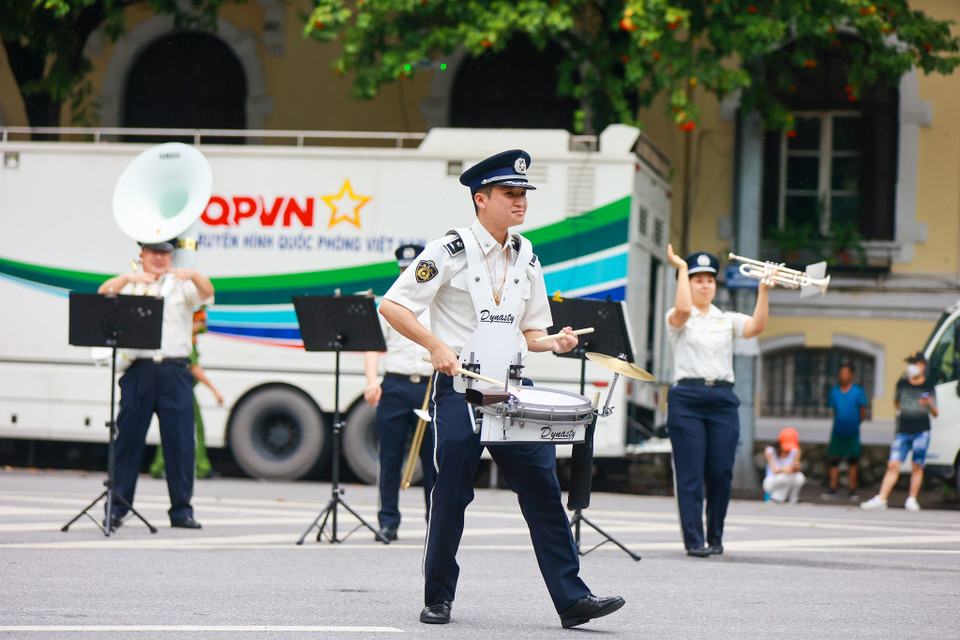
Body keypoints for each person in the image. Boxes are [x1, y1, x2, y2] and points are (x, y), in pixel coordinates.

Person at [378, 150, 625, 629]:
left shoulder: (528, 255)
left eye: (523, 194)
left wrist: (555, 342)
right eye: (510, 193)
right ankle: (438, 597)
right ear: (481, 198)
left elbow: (530, 333)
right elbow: (393, 306)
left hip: (511, 390)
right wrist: (435, 345)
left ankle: (573, 599)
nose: (520, 202)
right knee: (450, 495)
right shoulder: (448, 250)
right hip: (461, 386)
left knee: (543, 490)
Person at [664, 243, 772, 557]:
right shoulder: (677, 316)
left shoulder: (726, 319)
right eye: (698, 280)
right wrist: (681, 268)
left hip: (723, 399)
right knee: (690, 473)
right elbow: (683, 310)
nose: (705, 285)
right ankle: (694, 540)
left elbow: (756, 326)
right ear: (687, 284)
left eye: (709, 280)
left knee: (721, 471)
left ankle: (715, 536)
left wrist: (764, 289)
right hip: (687, 399)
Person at [98, 240, 214, 531]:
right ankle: (117, 507)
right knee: (128, 439)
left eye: (165, 253)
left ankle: (181, 510)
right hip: (141, 369)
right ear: (143, 255)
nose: (160, 258)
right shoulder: (132, 284)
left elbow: (208, 293)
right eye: (154, 253)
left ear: (172, 257)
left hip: (175, 370)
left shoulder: (181, 283)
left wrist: (193, 274)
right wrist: (128, 278)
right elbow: (103, 294)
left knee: (181, 442)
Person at [364, 244, 436, 543]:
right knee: (390, 457)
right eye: (403, 269)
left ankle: (435, 523)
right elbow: (373, 345)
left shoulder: (438, 302)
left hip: (430, 386)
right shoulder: (389, 302)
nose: (406, 274)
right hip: (395, 384)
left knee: (433, 459)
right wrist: (372, 381)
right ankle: (388, 521)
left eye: (411, 269)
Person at [149, 307, 223, 480]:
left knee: (173, 428)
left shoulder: (189, 339)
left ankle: (161, 466)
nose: (204, 325)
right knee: (191, 428)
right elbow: (194, 368)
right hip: (183, 390)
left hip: (182, 389)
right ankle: (199, 467)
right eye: (200, 321)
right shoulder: (186, 341)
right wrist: (215, 390)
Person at [862, 351, 937, 511]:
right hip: (903, 430)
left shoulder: (928, 386)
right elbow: (896, 403)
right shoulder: (902, 384)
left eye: (914, 363)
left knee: (917, 465)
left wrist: (930, 404)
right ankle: (882, 498)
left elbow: (936, 413)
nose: (911, 366)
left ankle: (912, 499)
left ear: (922, 366)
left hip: (922, 430)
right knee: (893, 464)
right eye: (910, 363)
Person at [822, 363, 868, 500]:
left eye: (846, 373)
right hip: (837, 431)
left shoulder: (858, 391)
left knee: (852, 461)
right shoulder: (834, 392)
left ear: (852, 375)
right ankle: (832, 489)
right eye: (841, 373)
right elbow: (834, 410)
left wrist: (855, 423)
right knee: (834, 460)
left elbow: (862, 411)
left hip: (852, 432)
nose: (843, 376)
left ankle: (852, 490)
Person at [763, 428, 806, 503]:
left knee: (799, 477)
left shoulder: (796, 451)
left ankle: (793, 499)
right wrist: (782, 469)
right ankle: (776, 498)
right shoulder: (770, 451)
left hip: (789, 479)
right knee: (783, 477)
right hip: (772, 481)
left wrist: (795, 469)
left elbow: (794, 469)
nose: (787, 449)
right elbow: (774, 470)